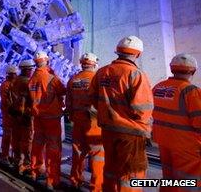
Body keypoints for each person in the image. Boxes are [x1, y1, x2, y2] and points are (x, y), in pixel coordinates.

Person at [89, 35, 153, 192]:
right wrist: (146, 130)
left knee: (110, 168)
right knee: (130, 174)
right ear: (138, 54)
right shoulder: (136, 74)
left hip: (108, 130)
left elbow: (92, 98)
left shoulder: (102, 72)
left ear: (117, 51)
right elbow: (143, 110)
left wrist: (108, 113)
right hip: (130, 133)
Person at [152, 53, 201, 191]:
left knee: (169, 179)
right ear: (193, 71)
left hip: (164, 142)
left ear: (172, 69)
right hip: (187, 148)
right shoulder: (192, 92)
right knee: (188, 183)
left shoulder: (158, 88)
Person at [28, 51, 66, 189]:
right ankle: (52, 180)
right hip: (51, 118)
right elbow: (62, 91)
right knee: (53, 147)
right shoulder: (51, 78)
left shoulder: (32, 79)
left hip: (38, 117)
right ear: (47, 60)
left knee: (37, 145)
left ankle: (35, 171)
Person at [66, 52, 103, 191]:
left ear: (82, 63)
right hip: (94, 123)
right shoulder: (97, 79)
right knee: (97, 155)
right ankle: (96, 187)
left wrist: (72, 117)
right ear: (94, 64)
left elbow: (68, 103)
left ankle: (75, 180)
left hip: (78, 122)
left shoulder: (73, 80)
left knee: (77, 153)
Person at [10, 59, 36, 174]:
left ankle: (17, 162)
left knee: (16, 138)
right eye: (31, 69)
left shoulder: (14, 82)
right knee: (27, 140)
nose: (32, 71)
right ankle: (26, 165)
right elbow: (33, 100)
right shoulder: (28, 83)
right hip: (26, 116)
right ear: (27, 70)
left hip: (15, 115)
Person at [0, 65, 18, 164]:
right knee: (8, 136)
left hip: (12, 115)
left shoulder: (8, 84)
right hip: (9, 115)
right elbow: (7, 101)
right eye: (14, 74)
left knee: (13, 137)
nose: (15, 75)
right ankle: (5, 156)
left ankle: (11, 156)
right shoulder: (6, 85)